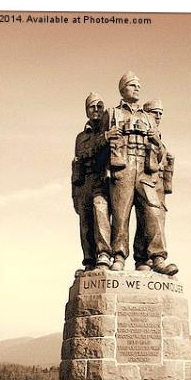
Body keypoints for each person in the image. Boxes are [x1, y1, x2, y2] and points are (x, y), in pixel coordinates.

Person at [99, 72, 177, 275]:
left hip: (145, 171)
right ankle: (118, 256)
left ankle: (157, 257)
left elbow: (161, 154)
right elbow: (98, 148)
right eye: (133, 85)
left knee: (152, 212)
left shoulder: (148, 118)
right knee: (121, 215)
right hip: (122, 169)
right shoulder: (112, 114)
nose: (137, 88)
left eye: (139, 85)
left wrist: (156, 141)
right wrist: (107, 137)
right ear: (123, 88)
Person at [132, 99, 177, 275]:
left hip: (157, 184)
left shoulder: (158, 136)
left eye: (160, 113)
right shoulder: (141, 135)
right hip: (143, 179)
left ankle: (144, 259)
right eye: (154, 112)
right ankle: (158, 257)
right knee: (152, 215)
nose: (157, 116)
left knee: (151, 220)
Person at [71, 92, 112, 273]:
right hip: (83, 182)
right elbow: (78, 161)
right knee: (85, 222)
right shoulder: (80, 137)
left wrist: (105, 138)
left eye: (99, 106)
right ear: (87, 111)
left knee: (100, 209)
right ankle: (89, 261)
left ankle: (104, 254)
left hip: (100, 180)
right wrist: (74, 192)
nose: (96, 110)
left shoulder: (108, 131)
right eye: (92, 107)